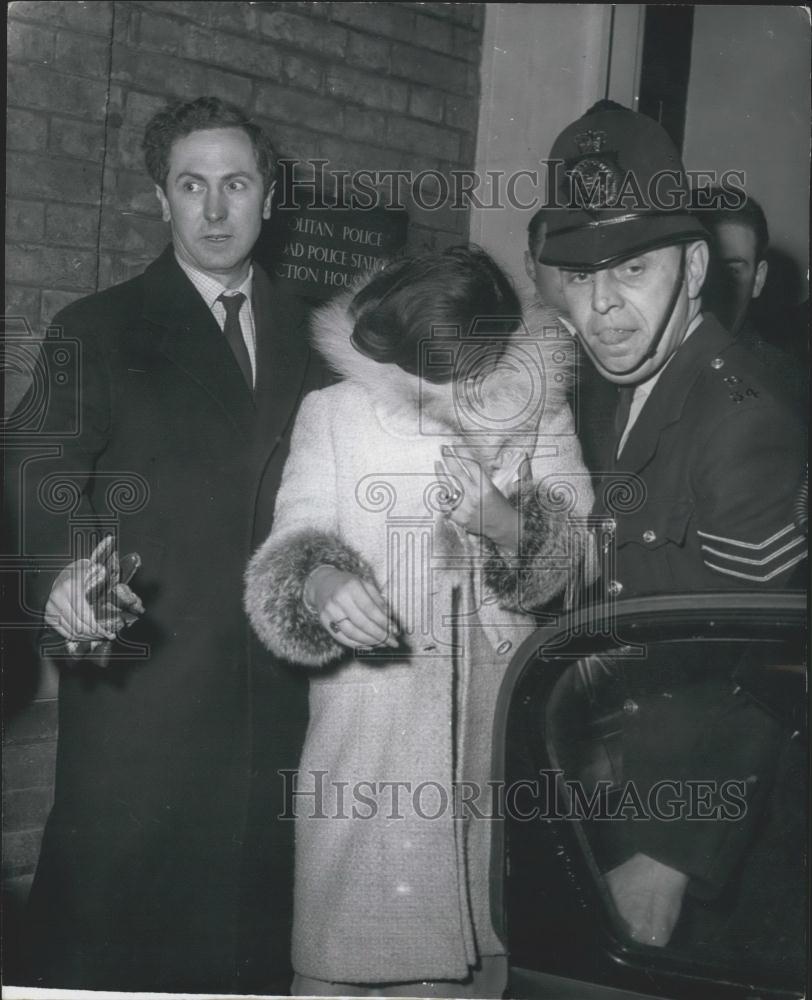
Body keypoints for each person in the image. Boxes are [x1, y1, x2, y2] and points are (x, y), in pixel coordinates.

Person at [12, 96, 323, 993]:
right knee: (117, 939)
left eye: (236, 184)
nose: (217, 210)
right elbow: (36, 468)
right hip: (145, 691)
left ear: (270, 195)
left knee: (258, 944)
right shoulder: (98, 327)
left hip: (283, 698)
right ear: (161, 199)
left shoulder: (322, 336)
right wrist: (67, 563)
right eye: (193, 186)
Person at [244, 246, 595, 996]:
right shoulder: (332, 414)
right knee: (343, 958)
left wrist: (505, 525)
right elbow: (288, 547)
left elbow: (584, 569)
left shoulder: (543, 412)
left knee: (472, 959)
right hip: (367, 737)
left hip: (491, 742)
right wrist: (324, 579)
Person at [540, 102, 806, 949]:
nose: (604, 308)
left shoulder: (742, 416)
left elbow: (770, 662)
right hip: (614, 794)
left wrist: (674, 857)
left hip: (706, 839)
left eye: (632, 272)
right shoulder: (613, 393)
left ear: (694, 270)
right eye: (580, 278)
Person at [525, 208, 616, 477]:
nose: (572, 265)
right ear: (530, 264)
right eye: (556, 252)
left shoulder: (625, 339)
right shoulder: (509, 345)